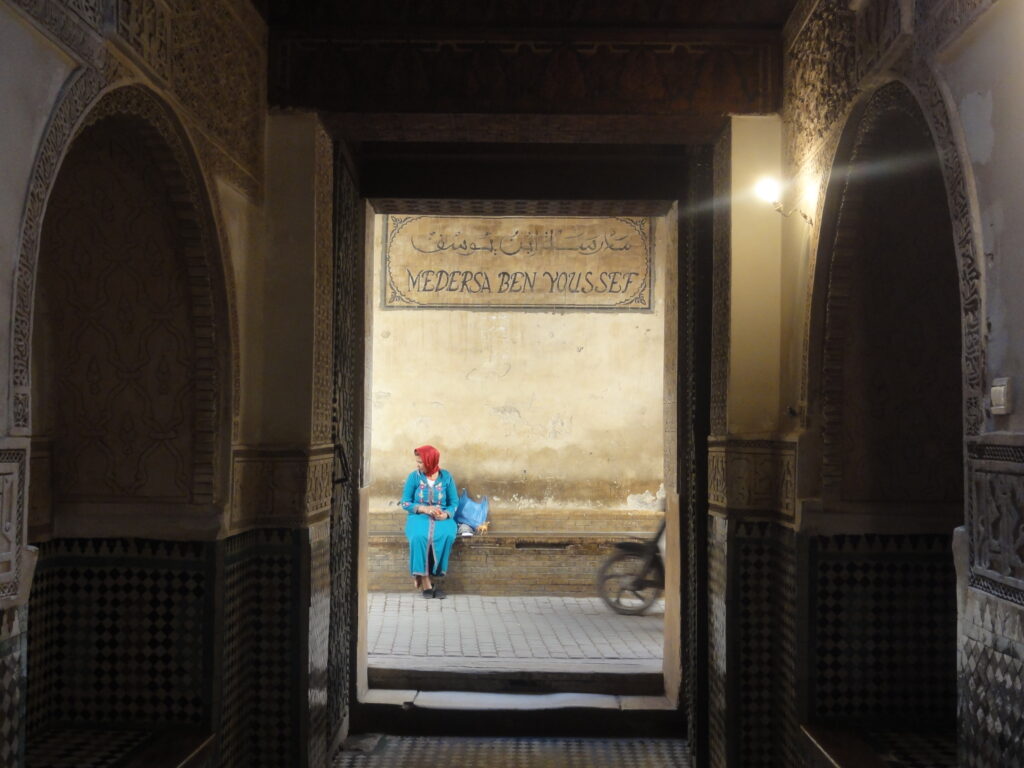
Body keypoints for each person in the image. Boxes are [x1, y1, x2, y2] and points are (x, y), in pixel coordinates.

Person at [400, 445, 458, 599]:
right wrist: (424, 509)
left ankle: (431, 577)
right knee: (419, 537)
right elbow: (405, 502)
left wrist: (446, 514)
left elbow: (454, 502)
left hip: (442, 517)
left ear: (430, 461)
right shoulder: (414, 477)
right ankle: (426, 581)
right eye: (417, 462)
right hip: (418, 516)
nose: (417, 465)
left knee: (446, 535)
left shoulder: (446, 477)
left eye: (421, 462)